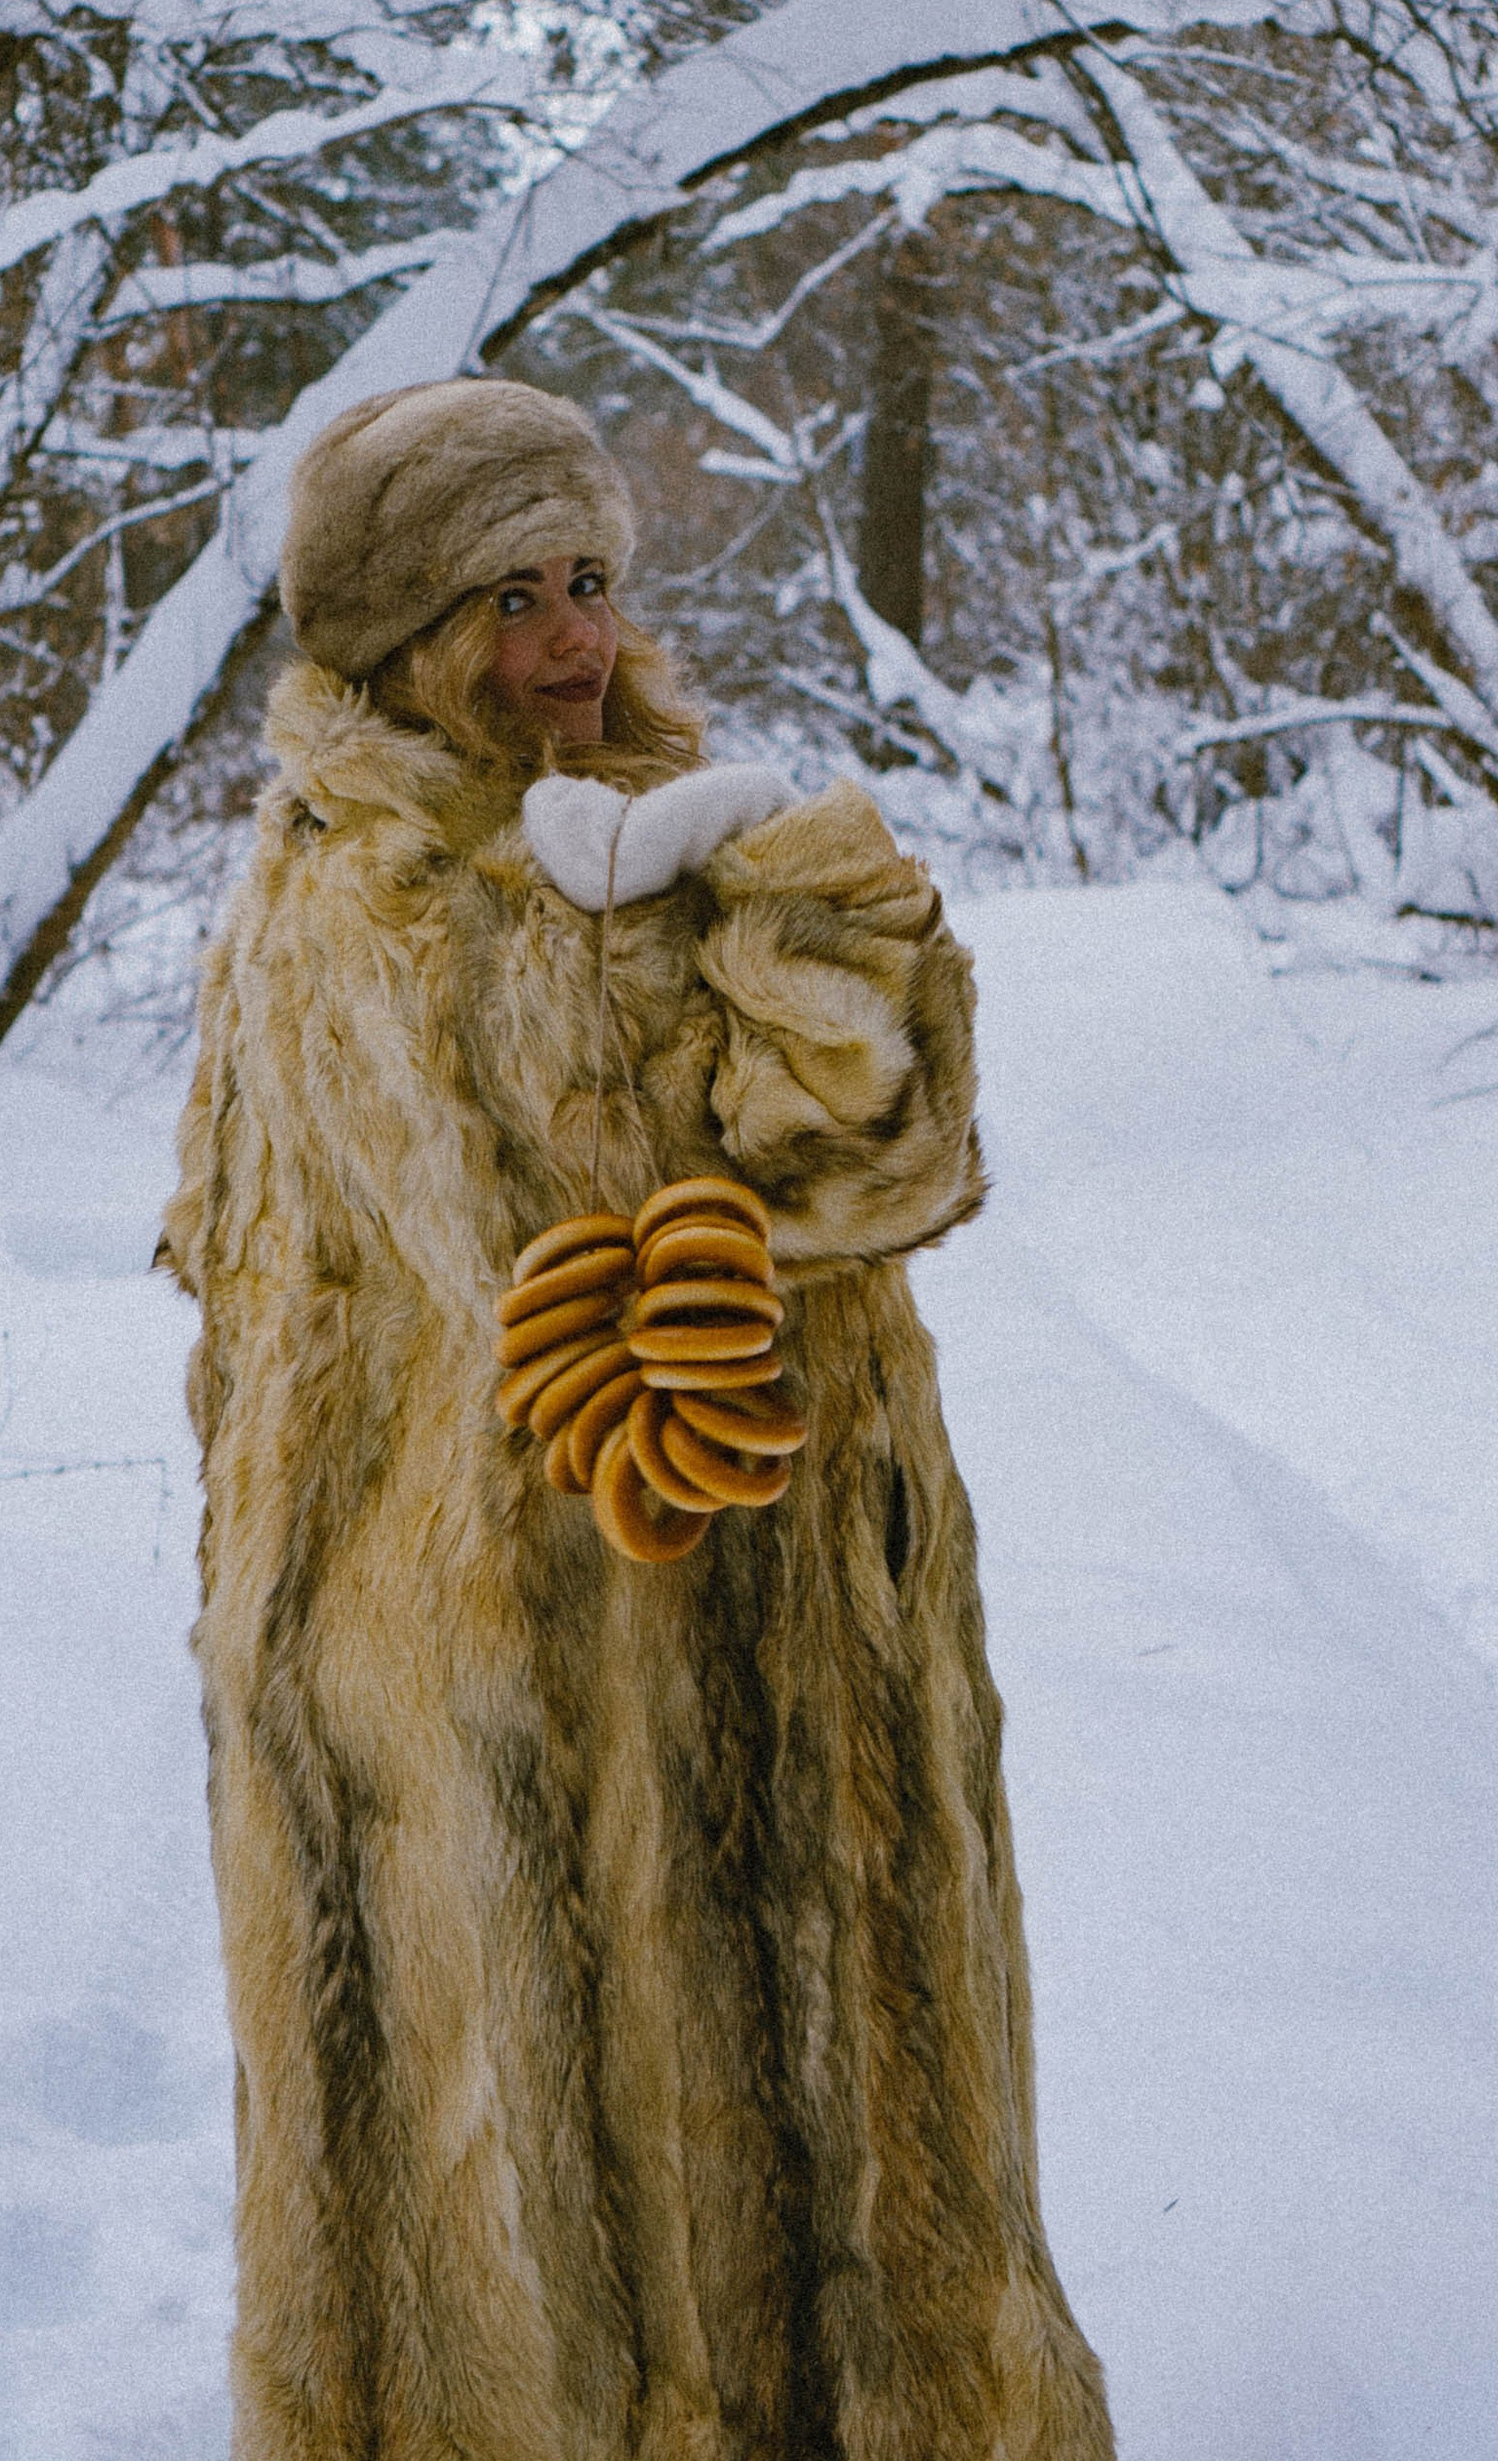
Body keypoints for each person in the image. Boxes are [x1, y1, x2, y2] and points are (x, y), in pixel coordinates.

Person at [160, 375, 1114, 2461]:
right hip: (531, 1683)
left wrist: (793, 921)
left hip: (772, 1630)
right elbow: (632, 1241)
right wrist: (801, 949)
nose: (572, 642)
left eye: (588, 581)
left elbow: (910, 1168)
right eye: (510, 601)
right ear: (404, 634)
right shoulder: (388, 901)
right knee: (591, 2249)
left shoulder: (635, 835)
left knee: (840, 2188)